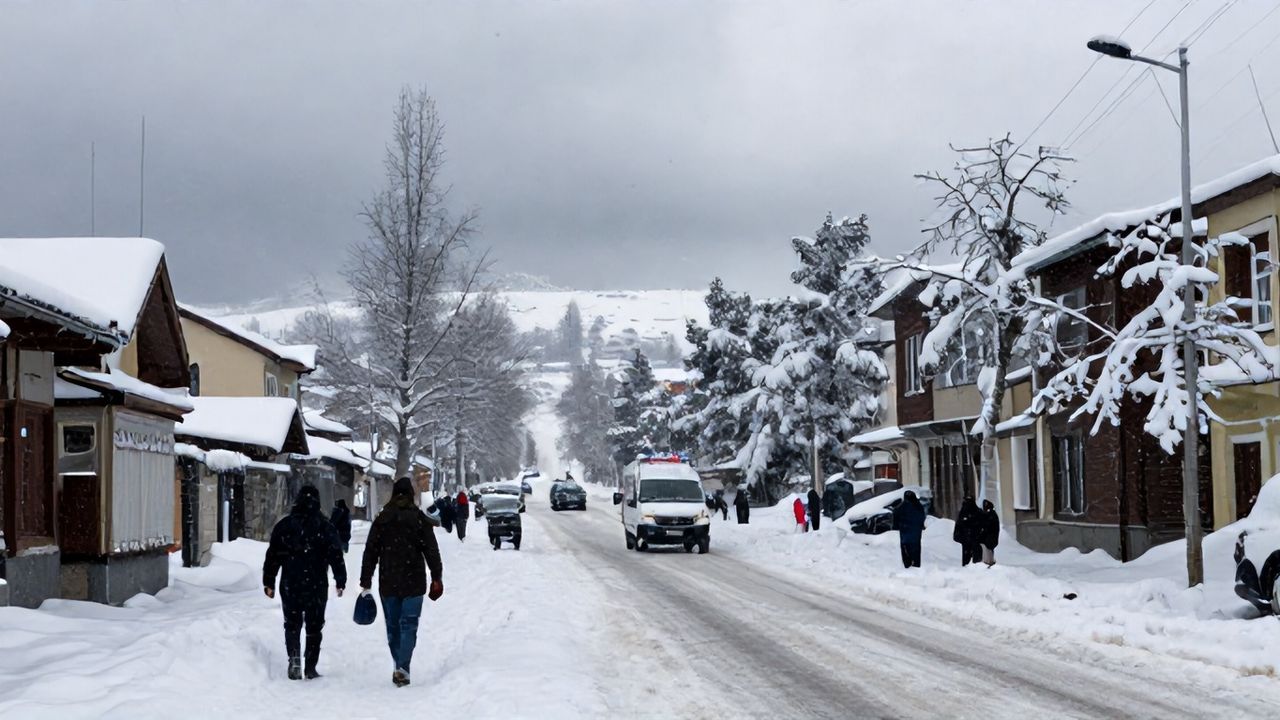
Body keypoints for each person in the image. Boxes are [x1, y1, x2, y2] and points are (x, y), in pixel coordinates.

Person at [360, 477, 444, 688]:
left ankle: (400, 664)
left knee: (393, 627)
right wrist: (436, 576)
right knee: (409, 625)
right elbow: (431, 550)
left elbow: (371, 551)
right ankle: (403, 667)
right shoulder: (419, 519)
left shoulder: (382, 519)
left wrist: (366, 580)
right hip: (414, 582)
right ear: (411, 495)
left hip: (388, 582)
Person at [263, 485, 346, 681]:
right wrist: (340, 580)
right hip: (316, 584)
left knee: (292, 623)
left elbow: (272, 556)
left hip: (290, 583)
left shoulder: (284, 526)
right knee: (314, 626)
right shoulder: (325, 527)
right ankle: (310, 666)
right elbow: (336, 555)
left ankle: (294, 660)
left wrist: (269, 582)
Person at [892, 490, 927, 568]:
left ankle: (908, 565)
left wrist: (899, 526)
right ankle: (916, 564)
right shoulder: (918, 506)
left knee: (906, 551)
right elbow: (922, 518)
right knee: (916, 551)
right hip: (916, 535)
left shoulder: (901, 507)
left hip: (905, 534)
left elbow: (895, 521)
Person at [954, 496, 983, 566]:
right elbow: (959, 525)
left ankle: (974, 566)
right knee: (968, 555)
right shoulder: (964, 512)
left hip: (974, 538)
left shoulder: (976, 512)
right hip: (967, 538)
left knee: (973, 556)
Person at [979, 499, 1000, 567]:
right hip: (990, 539)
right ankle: (990, 562)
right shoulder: (992, 514)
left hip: (988, 539)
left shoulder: (990, 515)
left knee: (987, 553)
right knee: (988, 551)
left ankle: (988, 564)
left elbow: (987, 526)